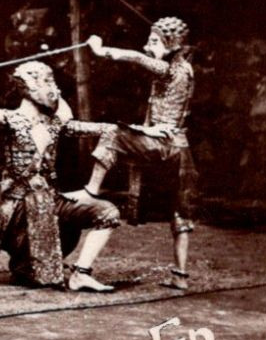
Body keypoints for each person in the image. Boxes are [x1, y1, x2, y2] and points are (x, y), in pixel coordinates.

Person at [0, 61, 123, 291]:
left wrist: (134, 132)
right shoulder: (11, 119)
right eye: (48, 81)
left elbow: (106, 130)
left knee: (108, 213)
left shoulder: (54, 124)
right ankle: (26, 263)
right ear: (29, 86)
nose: (55, 89)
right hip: (20, 210)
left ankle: (81, 274)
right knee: (37, 275)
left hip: (50, 201)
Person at [68, 17, 199, 291]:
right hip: (179, 148)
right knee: (180, 213)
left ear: (171, 44)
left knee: (114, 133)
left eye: (154, 41)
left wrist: (101, 50)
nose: (147, 46)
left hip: (167, 146)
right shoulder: (182, 68)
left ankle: (91, 190)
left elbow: (137, 58)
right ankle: (180, 276)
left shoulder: (173, 70)